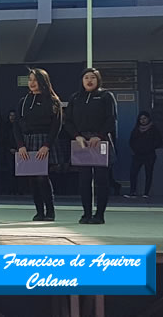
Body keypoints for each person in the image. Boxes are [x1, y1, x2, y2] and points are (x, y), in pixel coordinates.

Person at [64, 67, 117, 224]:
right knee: (84, 179)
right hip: (82, 142)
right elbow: (68, 121)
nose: (89, 80)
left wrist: (99, 136)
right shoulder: (75, 98)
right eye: (86, 77)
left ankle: (99, 215)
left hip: (100, 141)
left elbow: (111, 118)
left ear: (98, 80)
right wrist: (76, 135)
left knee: (102, 179)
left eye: (92, 77)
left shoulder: (106, 96)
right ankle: (86, 213)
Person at [13, 68, 62, 222]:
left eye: (35, 80)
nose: (32, 83)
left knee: (42, 177)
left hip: (44, 141)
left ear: (43, 81)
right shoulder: (23, 101)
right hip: (27, 142)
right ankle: (39, 211)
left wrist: (47, 145)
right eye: (30, 80)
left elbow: (56, 125)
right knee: (32, 179)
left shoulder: (53, 101)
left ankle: (50, 211)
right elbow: (16, 125)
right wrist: (20, 145)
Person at [126, 111, 163, 199]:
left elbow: (158, 141)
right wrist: (136, 149)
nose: (142, 121)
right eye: (141, 119)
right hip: (138, 155)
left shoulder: (154, 129)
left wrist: (149, 148)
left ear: (148, 118)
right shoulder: (136, 129)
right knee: (133, 173)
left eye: (144, 118)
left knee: (148, 173)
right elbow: (131, 141)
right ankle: (132, 192)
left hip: (149, 155)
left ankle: (146, 193)